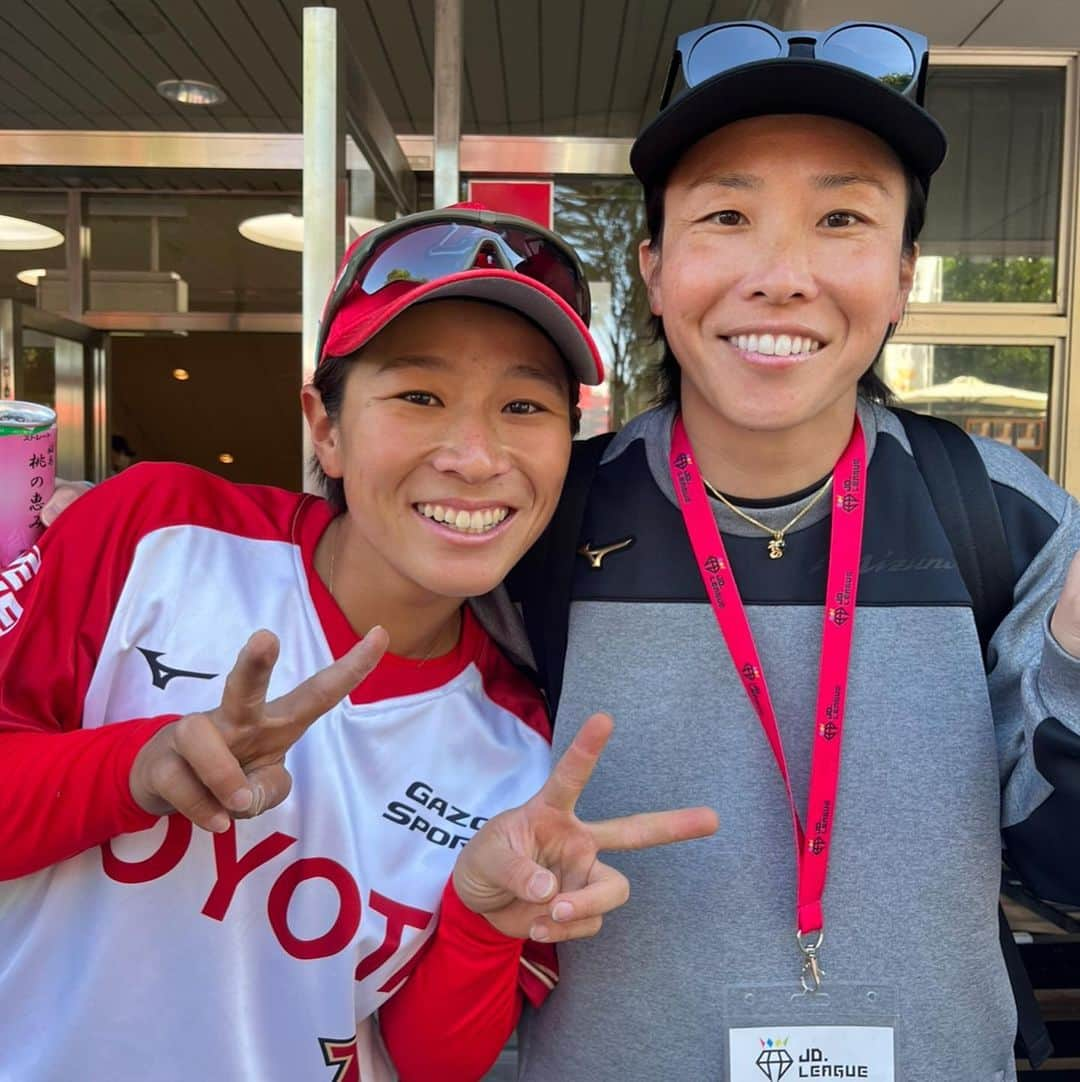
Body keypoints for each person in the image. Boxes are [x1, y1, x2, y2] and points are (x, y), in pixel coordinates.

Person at [448, 21, 1078, 1082]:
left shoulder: (999, 513)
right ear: (652, 267)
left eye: (841, 218)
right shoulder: (546, 521)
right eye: (727, 216)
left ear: (905, 273)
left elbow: (1062, 871)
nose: (781, 276)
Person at [0, 205, 718, 1082]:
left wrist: (483, 916)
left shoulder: (522, 749)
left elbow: (422, 1061)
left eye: (524, 406)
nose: (475, 455)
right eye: (419, 396)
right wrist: (134, 771)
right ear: (326, 426)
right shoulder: (157, 533)